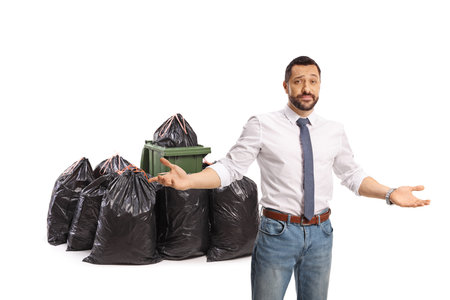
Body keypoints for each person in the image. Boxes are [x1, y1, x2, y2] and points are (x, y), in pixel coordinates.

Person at [149, 56, 431, 300]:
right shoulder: (262, 124)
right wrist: (190, 181)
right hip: (277, 233)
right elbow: (231, 168)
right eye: (298, 81)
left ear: (320, 85)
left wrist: (389, 192)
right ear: (286, 86)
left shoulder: (333, 130)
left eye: (313, 81)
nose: (306, 88)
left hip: (322, 233)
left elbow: (352, 175)